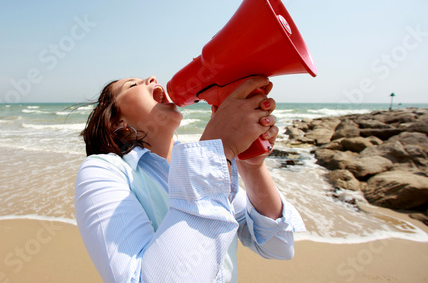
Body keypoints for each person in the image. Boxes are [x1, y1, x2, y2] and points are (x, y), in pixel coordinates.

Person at [74, 75, 305, 283]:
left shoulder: (198, 163)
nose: (152, 78)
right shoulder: (102, 170)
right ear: (117, 123)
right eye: (132, 85)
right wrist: (217, 149)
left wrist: (251, 164)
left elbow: (278, 245)